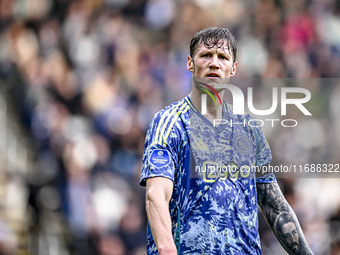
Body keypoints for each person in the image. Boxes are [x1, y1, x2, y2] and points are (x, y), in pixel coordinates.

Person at [140, 27, 314, 254]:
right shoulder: (170, 122)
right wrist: (166, 248)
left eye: (222, 57)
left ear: (233, 69)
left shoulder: (249, 130)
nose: (214, 63)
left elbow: (274, 206)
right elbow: (156, 194)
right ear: (190, 64)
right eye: (205, 55)